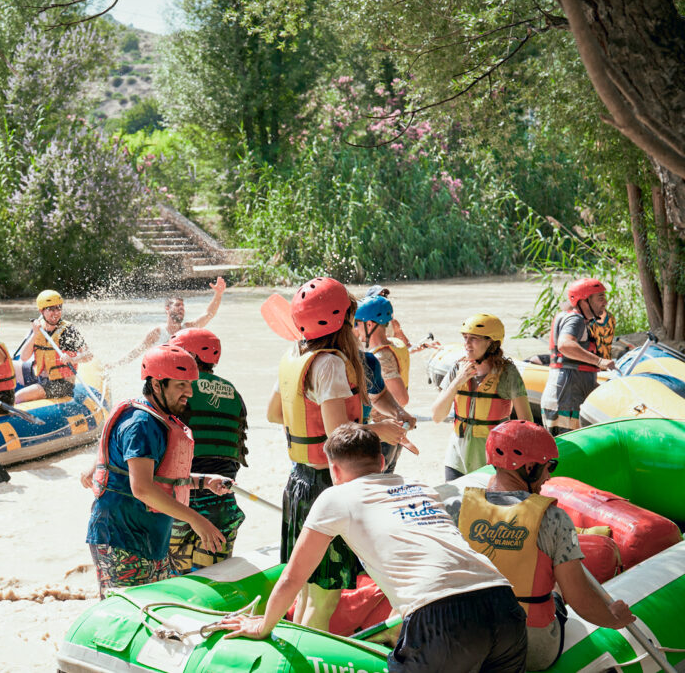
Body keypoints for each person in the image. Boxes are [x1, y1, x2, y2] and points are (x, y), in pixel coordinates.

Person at [219, 423, 527, 673]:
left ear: (334, 471)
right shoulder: (420, 486)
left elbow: (293, 577)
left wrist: (263, 625)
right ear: (381, 461)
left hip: (442, 617)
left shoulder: (335, 497)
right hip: (503, 603)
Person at [265, 277, 407, 629]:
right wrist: (381, 429)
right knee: (324, 597)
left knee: (310, 591)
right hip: (325, 485)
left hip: (300, 482)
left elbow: (275, 413)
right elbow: (337, 434)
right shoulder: (329, 364)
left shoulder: (294, 356)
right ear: (341, 321)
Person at [443, 421, 635, 670]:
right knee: (555, 584)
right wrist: (613, 618)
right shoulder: (554, 519)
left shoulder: (455, 508)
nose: (549, 475)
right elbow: (579, 600)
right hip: (531, 648)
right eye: (548, 466)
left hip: (467, 639)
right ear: (530, 467)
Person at [84, 344, 230, 597]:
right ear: (156, 384)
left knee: (157, 607)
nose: (189, 393)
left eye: (189, 384)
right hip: (121, 538)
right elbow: (141, 487)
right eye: (180, 385)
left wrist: (205, 481)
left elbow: (161, 479)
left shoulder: (161, 419)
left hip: (150, 537)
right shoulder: (139, 424)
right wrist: (197, 520)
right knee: (129, 613)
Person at [166, 328, 248, 573]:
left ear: (189, 356)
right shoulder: (234, 393)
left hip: (180, 504)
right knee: (214, 576)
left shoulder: (178, 389)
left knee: (171, 579)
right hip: (223, 506)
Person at [431, 313, 533, 480]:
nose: (466, 344)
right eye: (465, 338)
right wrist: (457, 381)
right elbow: (436, 416)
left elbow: (527, 423)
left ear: (491, 343)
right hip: (457, 458)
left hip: (492, 458)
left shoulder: (507, 373)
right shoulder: (458, 368)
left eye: (473, 339)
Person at [542, 279, 616, 435]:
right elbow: (565, 345)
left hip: (562, 397)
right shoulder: (575, 320)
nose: (605, 302)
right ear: (584, 301)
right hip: (566, 400)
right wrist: (600, 361)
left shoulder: (572, 318)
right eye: (600, 297)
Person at [108, 277, 227, 367]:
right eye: (177, 305)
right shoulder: (157, 333)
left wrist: (218, 294)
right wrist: (115, 364)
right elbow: (136, 351)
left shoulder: (188, 329)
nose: (181, 308)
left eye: (183, 306)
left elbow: (208, 314)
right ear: (167, 309)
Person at [355, 295, 412, 473]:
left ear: (369, 325)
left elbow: (401, 398)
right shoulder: (396, 344)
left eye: (358, 323)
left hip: (383, 434)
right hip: (393, 431)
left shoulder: (380, 357)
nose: (356, 329)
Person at [16, 290, 92, 403]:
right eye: (51, 309)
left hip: (61, 384)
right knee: (10, 365)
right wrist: (35, 334)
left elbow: (89, 355)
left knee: (18, 397)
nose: (56, 313)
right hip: (40, 377)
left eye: (58, 308)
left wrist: (73, 359)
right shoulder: (37, 328)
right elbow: (24, 357)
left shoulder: (68, 331)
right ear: (41, 311)